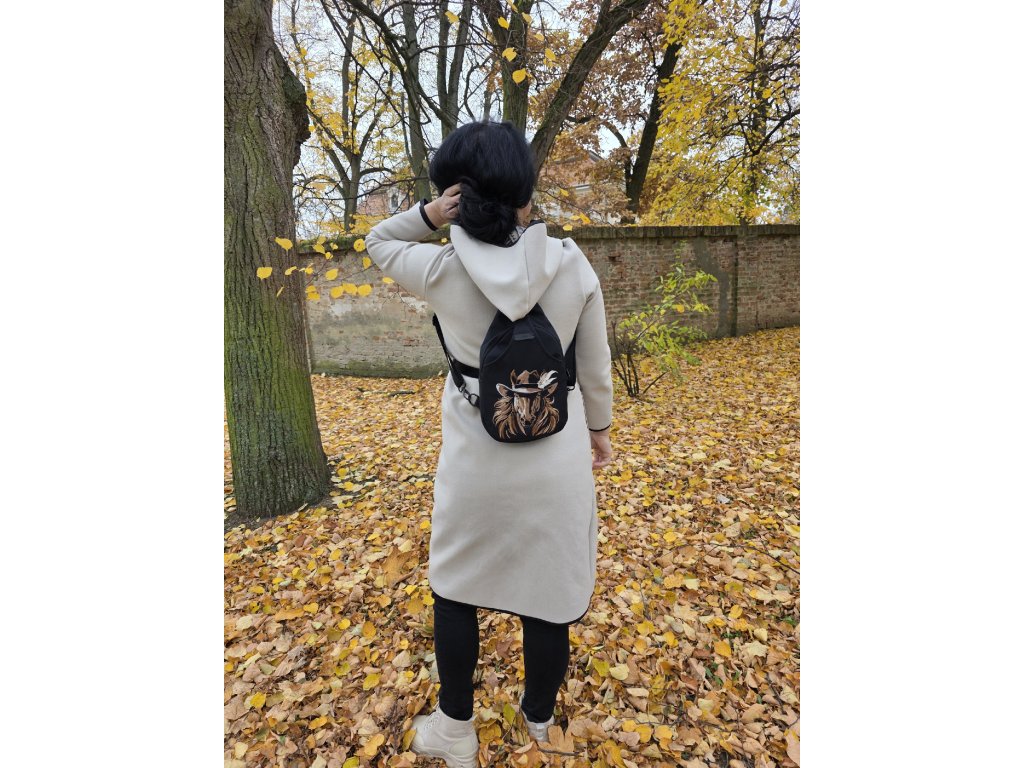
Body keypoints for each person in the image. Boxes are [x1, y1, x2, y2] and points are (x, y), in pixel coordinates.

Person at [364, 119, 614, 767]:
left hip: (475, 466)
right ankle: (538, 719)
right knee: (549, 593)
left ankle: (455, 728)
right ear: (525, 193)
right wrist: (600, 431)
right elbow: (594, 366)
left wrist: (428, 213)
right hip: (555, 459)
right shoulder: (572, 264)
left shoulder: (441, 269)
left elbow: (378, 239)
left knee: (454, 588)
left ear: (459, 195)